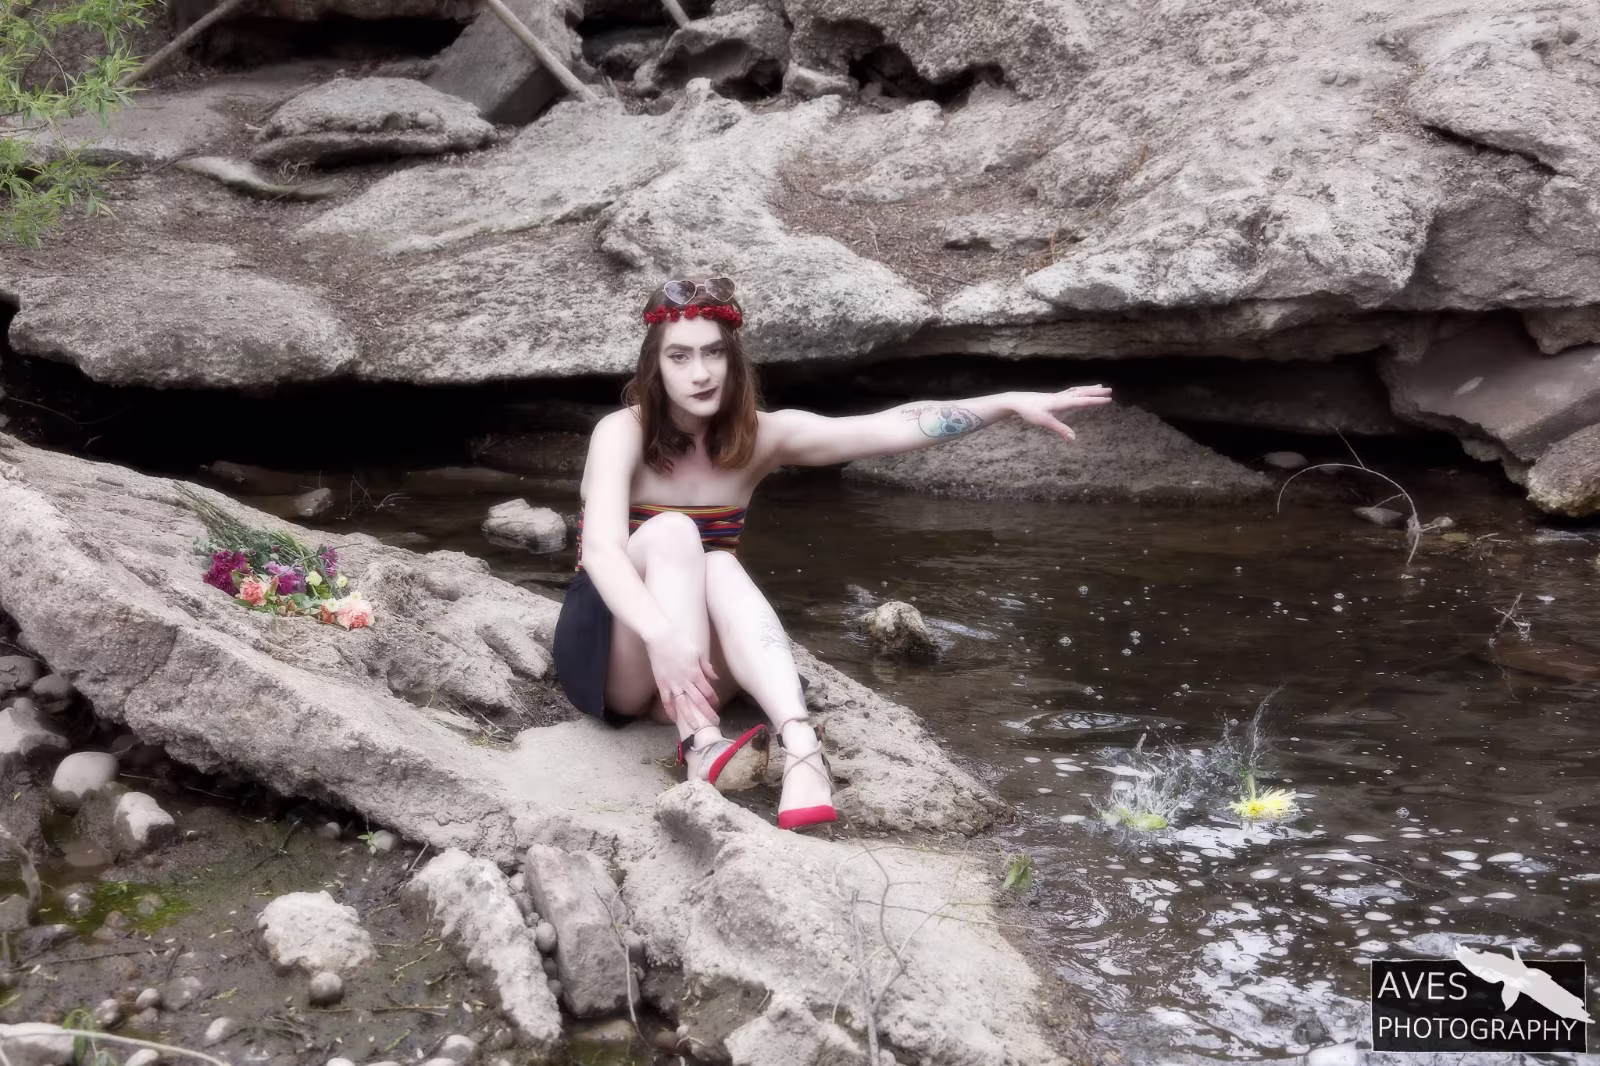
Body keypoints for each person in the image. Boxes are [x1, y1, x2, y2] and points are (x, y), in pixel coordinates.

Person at [552, 274, 1113, 831]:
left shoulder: (763, 437)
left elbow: (889, 427)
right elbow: (601, 551)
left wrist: (1007, 402)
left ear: (734, 360)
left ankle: (801, 747)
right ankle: (700, 744)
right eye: (679, 356)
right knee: (674, 533)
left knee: (718, 561)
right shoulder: (621, 432)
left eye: (713, 353)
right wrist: (661, 636)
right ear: (654, 367)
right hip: (617, 662)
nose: (700, 372)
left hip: (693, 676)